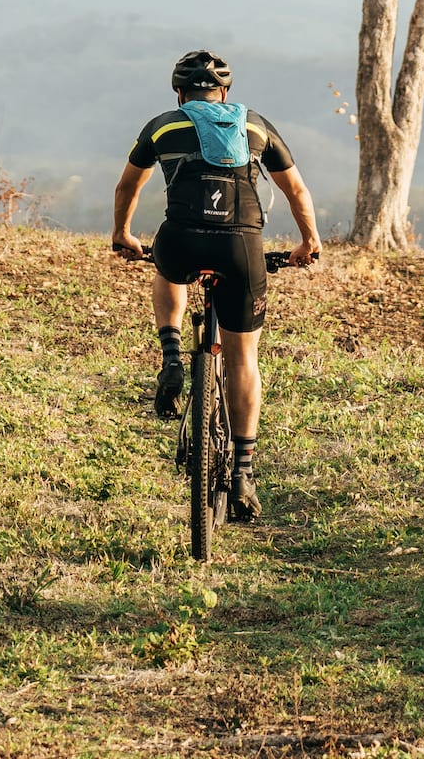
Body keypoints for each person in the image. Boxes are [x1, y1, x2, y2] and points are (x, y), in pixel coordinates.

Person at [111, 49, 321, 524]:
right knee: (244, 357)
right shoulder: (256, 126)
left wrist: (123, 233)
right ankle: (243, 472)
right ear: (224, 93)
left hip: (180, 243)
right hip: (241, 249)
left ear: (179, 93)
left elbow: (128, 185)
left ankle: (170, 357)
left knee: (167, 270)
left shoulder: (162, 125)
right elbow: (296, 191)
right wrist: (309, 242)